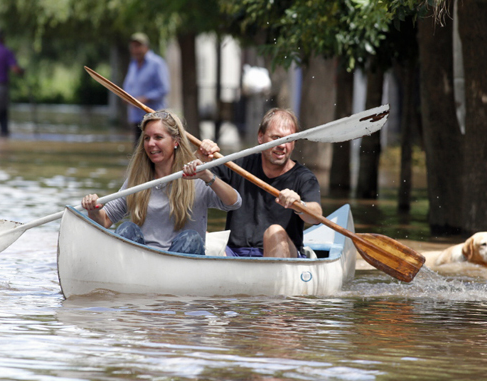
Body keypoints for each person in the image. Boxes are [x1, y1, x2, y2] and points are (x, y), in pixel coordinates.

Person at [81, 110, 241, 255]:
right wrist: (93, 209)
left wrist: (208, 176)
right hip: (143, 263)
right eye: (147, 138)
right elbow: (105, 221)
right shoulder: (137, 181)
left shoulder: (195, 176)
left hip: (180, 266)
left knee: (191, 238)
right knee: (127, 228)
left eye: (158, 137)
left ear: (176, 141)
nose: (151, 144)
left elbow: (234, 203)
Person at [211, 108, 322, 258]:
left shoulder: (304, 177)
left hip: (284, 254)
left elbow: (316, 216)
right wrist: (202, 157)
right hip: (235, 254)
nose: (282, 145)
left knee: (275, 232)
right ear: (260, 137)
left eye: (289, 139)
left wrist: (299, 204)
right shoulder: (238, 166)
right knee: (206, 240)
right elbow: (194, 179)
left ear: (295, 143)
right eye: (276, 137)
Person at [123, 32, 170, 147]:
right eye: (133, 47)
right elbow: (129, 85)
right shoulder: (133, 64)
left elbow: (164, 88)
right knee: (138, 151)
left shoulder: (157, 63)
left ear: (146, 47)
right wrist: (125, 96)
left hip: (153, 117)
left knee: (152, 150)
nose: (135, 50)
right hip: (136, 117)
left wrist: (144, 99)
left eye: (138, 46)